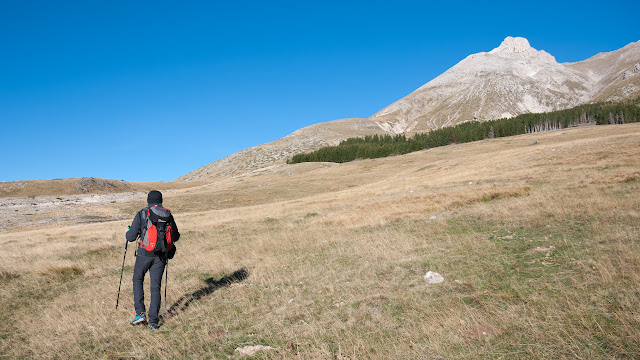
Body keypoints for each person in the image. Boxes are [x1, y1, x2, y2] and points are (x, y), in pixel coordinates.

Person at [125, 190, 180, 330]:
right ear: (161, 200)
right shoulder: (167, 214)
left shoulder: (142, 213)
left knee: (137, 280)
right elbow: (176, 236)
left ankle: (140, 313)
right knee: (155, 287)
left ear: (148, 201)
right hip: (161, 255)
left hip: (144, 253)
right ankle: (153, 322)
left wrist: (128, 231)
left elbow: (131, 237)